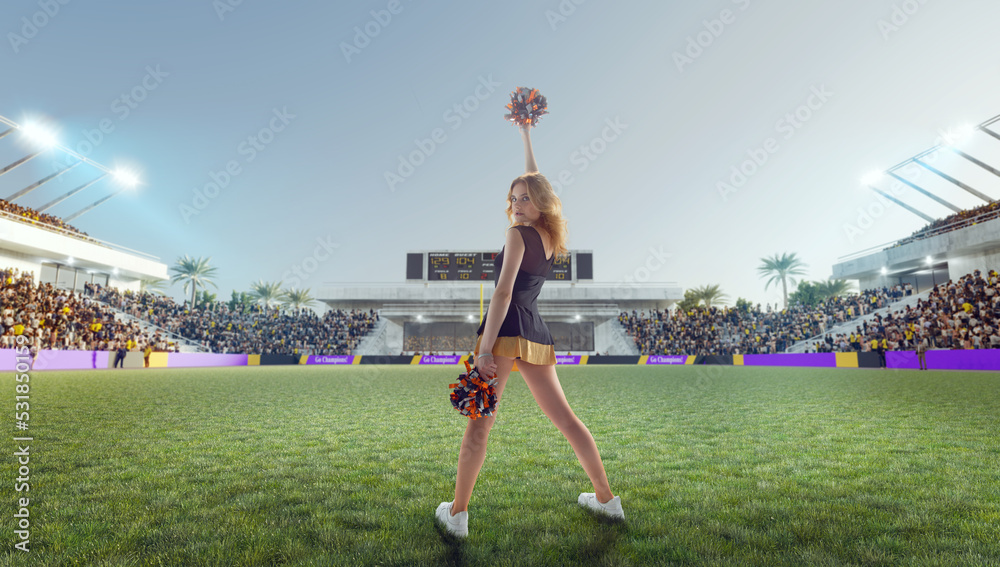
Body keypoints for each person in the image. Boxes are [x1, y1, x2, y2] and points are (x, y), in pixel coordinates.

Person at [436, 123, 622, 539]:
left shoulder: (517, 233)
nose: (518, 204)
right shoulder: (550, 236)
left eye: (526, 199)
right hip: (535, 331)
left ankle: (457, 515)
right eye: (513, 198)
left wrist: (484, 351)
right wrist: (526, 137)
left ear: (541, 203)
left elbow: (502, 293)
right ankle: (608, 501)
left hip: (504, 329)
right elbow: (539, 183)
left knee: (480, 425)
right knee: (567, 421)